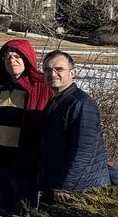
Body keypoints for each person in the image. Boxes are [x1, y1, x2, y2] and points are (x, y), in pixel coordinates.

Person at [0, 39, 51, 216]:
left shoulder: (40, 87)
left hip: (25, 165)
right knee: (1, 215)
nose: (12, 60)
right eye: (8, 57)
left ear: (27, 59)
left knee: (25, 215)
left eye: (17, 56)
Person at [38, 51, 111, 203]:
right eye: (47, 70)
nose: (52, 74)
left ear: (72, 73)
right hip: (57, 184)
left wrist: (66, 186)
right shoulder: (57, 101)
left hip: (79, 190)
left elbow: (84, 151)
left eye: (59, 69)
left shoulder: (82, 103)